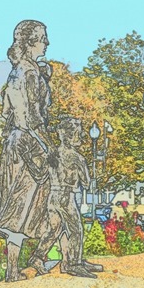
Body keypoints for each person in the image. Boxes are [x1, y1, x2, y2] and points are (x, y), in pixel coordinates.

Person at [0, 20, 53, 281]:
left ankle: (19, 266)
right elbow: (32, 118)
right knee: (29, 205)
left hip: (15, 143)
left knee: (19, 206)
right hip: (30, 143)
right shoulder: (28, 73)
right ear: (30, 42)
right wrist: (51, 147)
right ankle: (28, 263)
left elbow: (7, 111)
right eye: (42, 38)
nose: (47, 43)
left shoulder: (19, 71)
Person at [30, 118, 101, 278]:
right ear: (69, 136)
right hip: (66, 197)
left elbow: (41, 176)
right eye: (78, 133)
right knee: (76, 230)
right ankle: (74, 264)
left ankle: (37, 257)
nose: (81, 137)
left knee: (54, 230)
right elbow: (86, 182)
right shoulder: (76, 158)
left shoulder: (52, 155)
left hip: (53, 197)